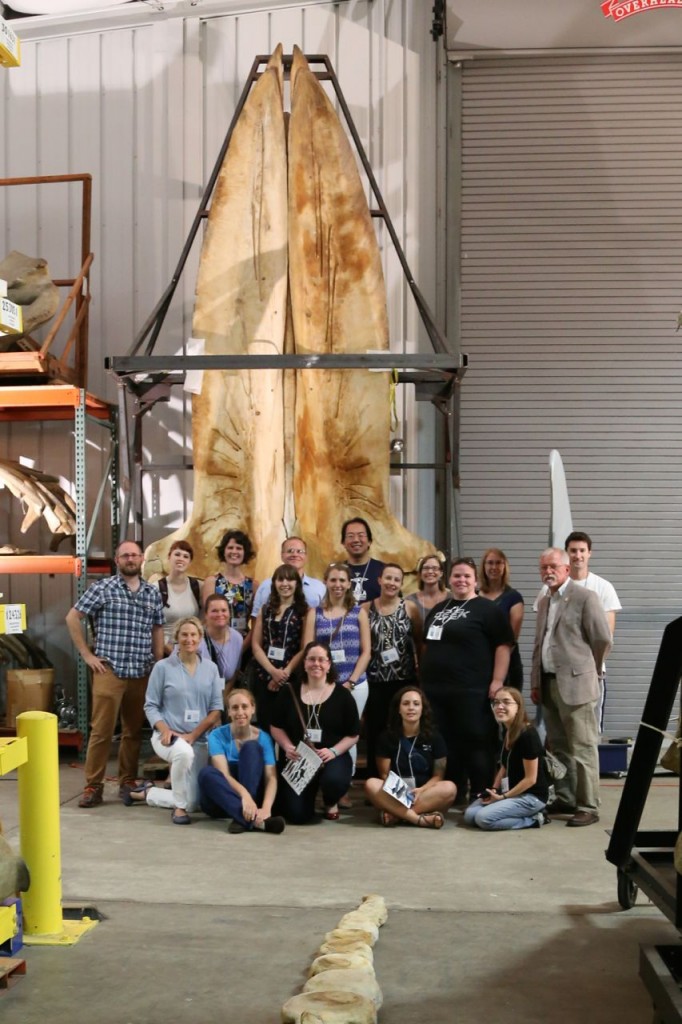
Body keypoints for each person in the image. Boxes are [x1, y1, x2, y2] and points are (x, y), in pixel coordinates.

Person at [65, 539, 165, 808]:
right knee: (102, 731)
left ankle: (127, 782)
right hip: (109, 669)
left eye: (134, 555)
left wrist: (159, 664)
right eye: (125, 555)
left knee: (133, 731)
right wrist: (87, 655)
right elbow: (73, 617)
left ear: (142, 558)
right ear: (117, 560)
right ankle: (93, 786)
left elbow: (157, 629)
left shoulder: (152, 593)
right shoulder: (102, 588)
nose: (130, 559)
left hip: (141, 671)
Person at [419, 557, 515, 802]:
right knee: (445, 742)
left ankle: (481, 792)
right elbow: (427, 645)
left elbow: (503, 646)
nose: (461, 580)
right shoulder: (439, 609)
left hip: (472, 690)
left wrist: (497, 680)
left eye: (466, 576)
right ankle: (454, 791)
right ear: (449, 579)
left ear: (475, 581)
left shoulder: (487, 609)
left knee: (476, 741)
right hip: (437, 691)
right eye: (457, 576)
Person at [531, 547, 612, 827]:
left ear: (566, 569)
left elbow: (602, 639)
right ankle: (565, 798)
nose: (547, 572)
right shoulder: (544, 601)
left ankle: (588, 805)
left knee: (583, 747)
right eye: (543, 567)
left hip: (577, 685)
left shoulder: (585, 597)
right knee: (559, 747)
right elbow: (539, 644)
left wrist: (589, 670)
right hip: (549, 683)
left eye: (552, 566)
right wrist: (535, 681)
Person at [127, 617, 223, 824]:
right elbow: (150, 705)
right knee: (183, 753)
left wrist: (193, 735)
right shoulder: (162, 667)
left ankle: (147, 793)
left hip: (198, 738)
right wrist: (164, 729)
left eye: (193, 635)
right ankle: (179, 809)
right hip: (167, 737)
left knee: (195, 802)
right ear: (177, 638)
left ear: (200, 638)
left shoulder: (211, 668)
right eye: (184, 634)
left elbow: (216, 709)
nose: (189, 639)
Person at [270, 642, 360, 824]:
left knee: (334, 781)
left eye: (321, 660)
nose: (316, 664)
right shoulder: (289, 692)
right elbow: (276, 726)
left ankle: (330, 800)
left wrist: (333, 751)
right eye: (311, 659)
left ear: (329, 664)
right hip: (300, 759)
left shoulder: (343, 696)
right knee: (296, 815)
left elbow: (353, 734)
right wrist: (287, 746)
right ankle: (308, 799)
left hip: (332, 756)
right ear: (304, 663)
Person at [364, 686, 456, 829]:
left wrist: (422, 790)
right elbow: (384, 774)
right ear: (399, 709)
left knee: (450, 788)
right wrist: (401, 793)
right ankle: (418, 819)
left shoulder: (434, 737)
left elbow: (438, 776)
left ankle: (396, 815)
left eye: (416, 704)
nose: (411, 708)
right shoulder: (386, 737)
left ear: (422, 709)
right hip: (396, 792)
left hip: (424, 792)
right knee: (371, 784)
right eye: (406, 704)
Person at [303, 562, 371, 752]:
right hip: (323, 684)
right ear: (325, 581)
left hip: (355, 683)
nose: (337, 584)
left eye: (342, 580)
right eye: (333, 580)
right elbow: (307, 649)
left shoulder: (359, 613)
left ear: (349, 583)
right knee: (328, 730)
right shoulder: (314, 614)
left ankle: (347, 776)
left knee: (349, 733)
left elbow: (366, 652)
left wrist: (351, 682)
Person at [198, 689, 285, 835]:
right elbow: (224, 774)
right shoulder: (216, 735)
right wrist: (245, 796)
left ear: (253, 709)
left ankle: (242, 818)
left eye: (244, 706)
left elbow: (271, 778)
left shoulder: (263, 737)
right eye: (234, 707)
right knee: (206, 773)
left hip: (253, 801)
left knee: (251, 747)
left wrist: (266, 808)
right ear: (229, 712)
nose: (240, 712)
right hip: (222, 800)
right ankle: (256, 821)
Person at [362, 563, 421, 775]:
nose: (391, 583)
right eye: (388, 578)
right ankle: (375, 779)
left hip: (403, 681)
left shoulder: (410, 608)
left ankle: (402, 775)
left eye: (396, 579)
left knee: (402, 728)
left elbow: (419, 641)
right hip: (375, 681)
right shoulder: (366, 609)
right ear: (379, 580)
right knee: (376, 730)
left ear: (401, 583)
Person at [464, 687, 550, 830]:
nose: (500, 707)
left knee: (483, 819)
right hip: (511, 793)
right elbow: (504, 766)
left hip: (531, 796)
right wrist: (493, 790)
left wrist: (503, 797)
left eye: (506, 702)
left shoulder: (528, 735)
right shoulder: (508, 730)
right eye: (496, 702)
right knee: (470, 816)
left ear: (518, 707)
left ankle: (535, 819)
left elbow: (531, 779)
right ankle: (512, 810)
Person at [251, 564, 308, 732]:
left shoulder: (304, 611)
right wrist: (272, 672)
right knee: (264, 724)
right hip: (264, 676)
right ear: (274, 583)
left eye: (290, 579)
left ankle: (285, 759)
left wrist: (284, 674)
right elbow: (256, 644)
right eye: (280, 579)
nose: (285, 583)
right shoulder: (265, 609)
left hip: (291, 677)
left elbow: (304, 647)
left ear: (297, 583)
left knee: (288, 726)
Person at [478, 548, 524, 689]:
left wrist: (497, 670)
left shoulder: (514, 598)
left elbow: (510, 639)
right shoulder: (473, 595)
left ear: (505, 567)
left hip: (507, 665)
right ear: (484, 566)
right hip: (477, 664)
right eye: (490, 563)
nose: (494, 567)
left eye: (498, 563)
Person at [201, 529, 258, 644]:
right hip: (215, 643)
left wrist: (241, 649)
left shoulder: (253, 585)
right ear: (224, 551)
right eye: (230, 547)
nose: (234, 551)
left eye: (239, 548)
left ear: (245, 552)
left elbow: (256, 624)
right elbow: (207, 619)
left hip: (244, 643)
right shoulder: (211, 582)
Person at [250, 536, 325, 619]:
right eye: (290, 551)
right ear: (282, 555)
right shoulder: (266, 586)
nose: (295, 554)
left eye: (300, 551)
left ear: (306, 556)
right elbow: (256, 618)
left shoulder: (319, 587)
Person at [155, 540, 202, 653]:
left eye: (186, 556)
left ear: (190, 562)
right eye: (177, 554)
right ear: (169, 557)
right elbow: (151, 627)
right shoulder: (156, 588)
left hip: (191, 650)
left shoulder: (198, 587)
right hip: (165, 651)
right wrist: (170, 651)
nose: (181, 558)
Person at [199, 594, 244, 695]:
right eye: (214, 611)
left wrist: (221, 701)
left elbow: (234, 674)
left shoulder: (237, 639)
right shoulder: (194, 638)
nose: (220, 614)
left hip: (223, 695)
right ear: (205, 614)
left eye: (224, 610)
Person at [341, 517, 385, 603]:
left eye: (361, 535)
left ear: (369, 541)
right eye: (350, 536)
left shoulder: (383, 570)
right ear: (343, 543)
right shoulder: (337, 571)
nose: (356, 540)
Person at [405, 554, 448, 627]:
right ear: (420, 573)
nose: (430, 571)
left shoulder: (452, 599)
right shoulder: (409, 601)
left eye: (435, 568)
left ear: (441, 573)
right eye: (426, 568)